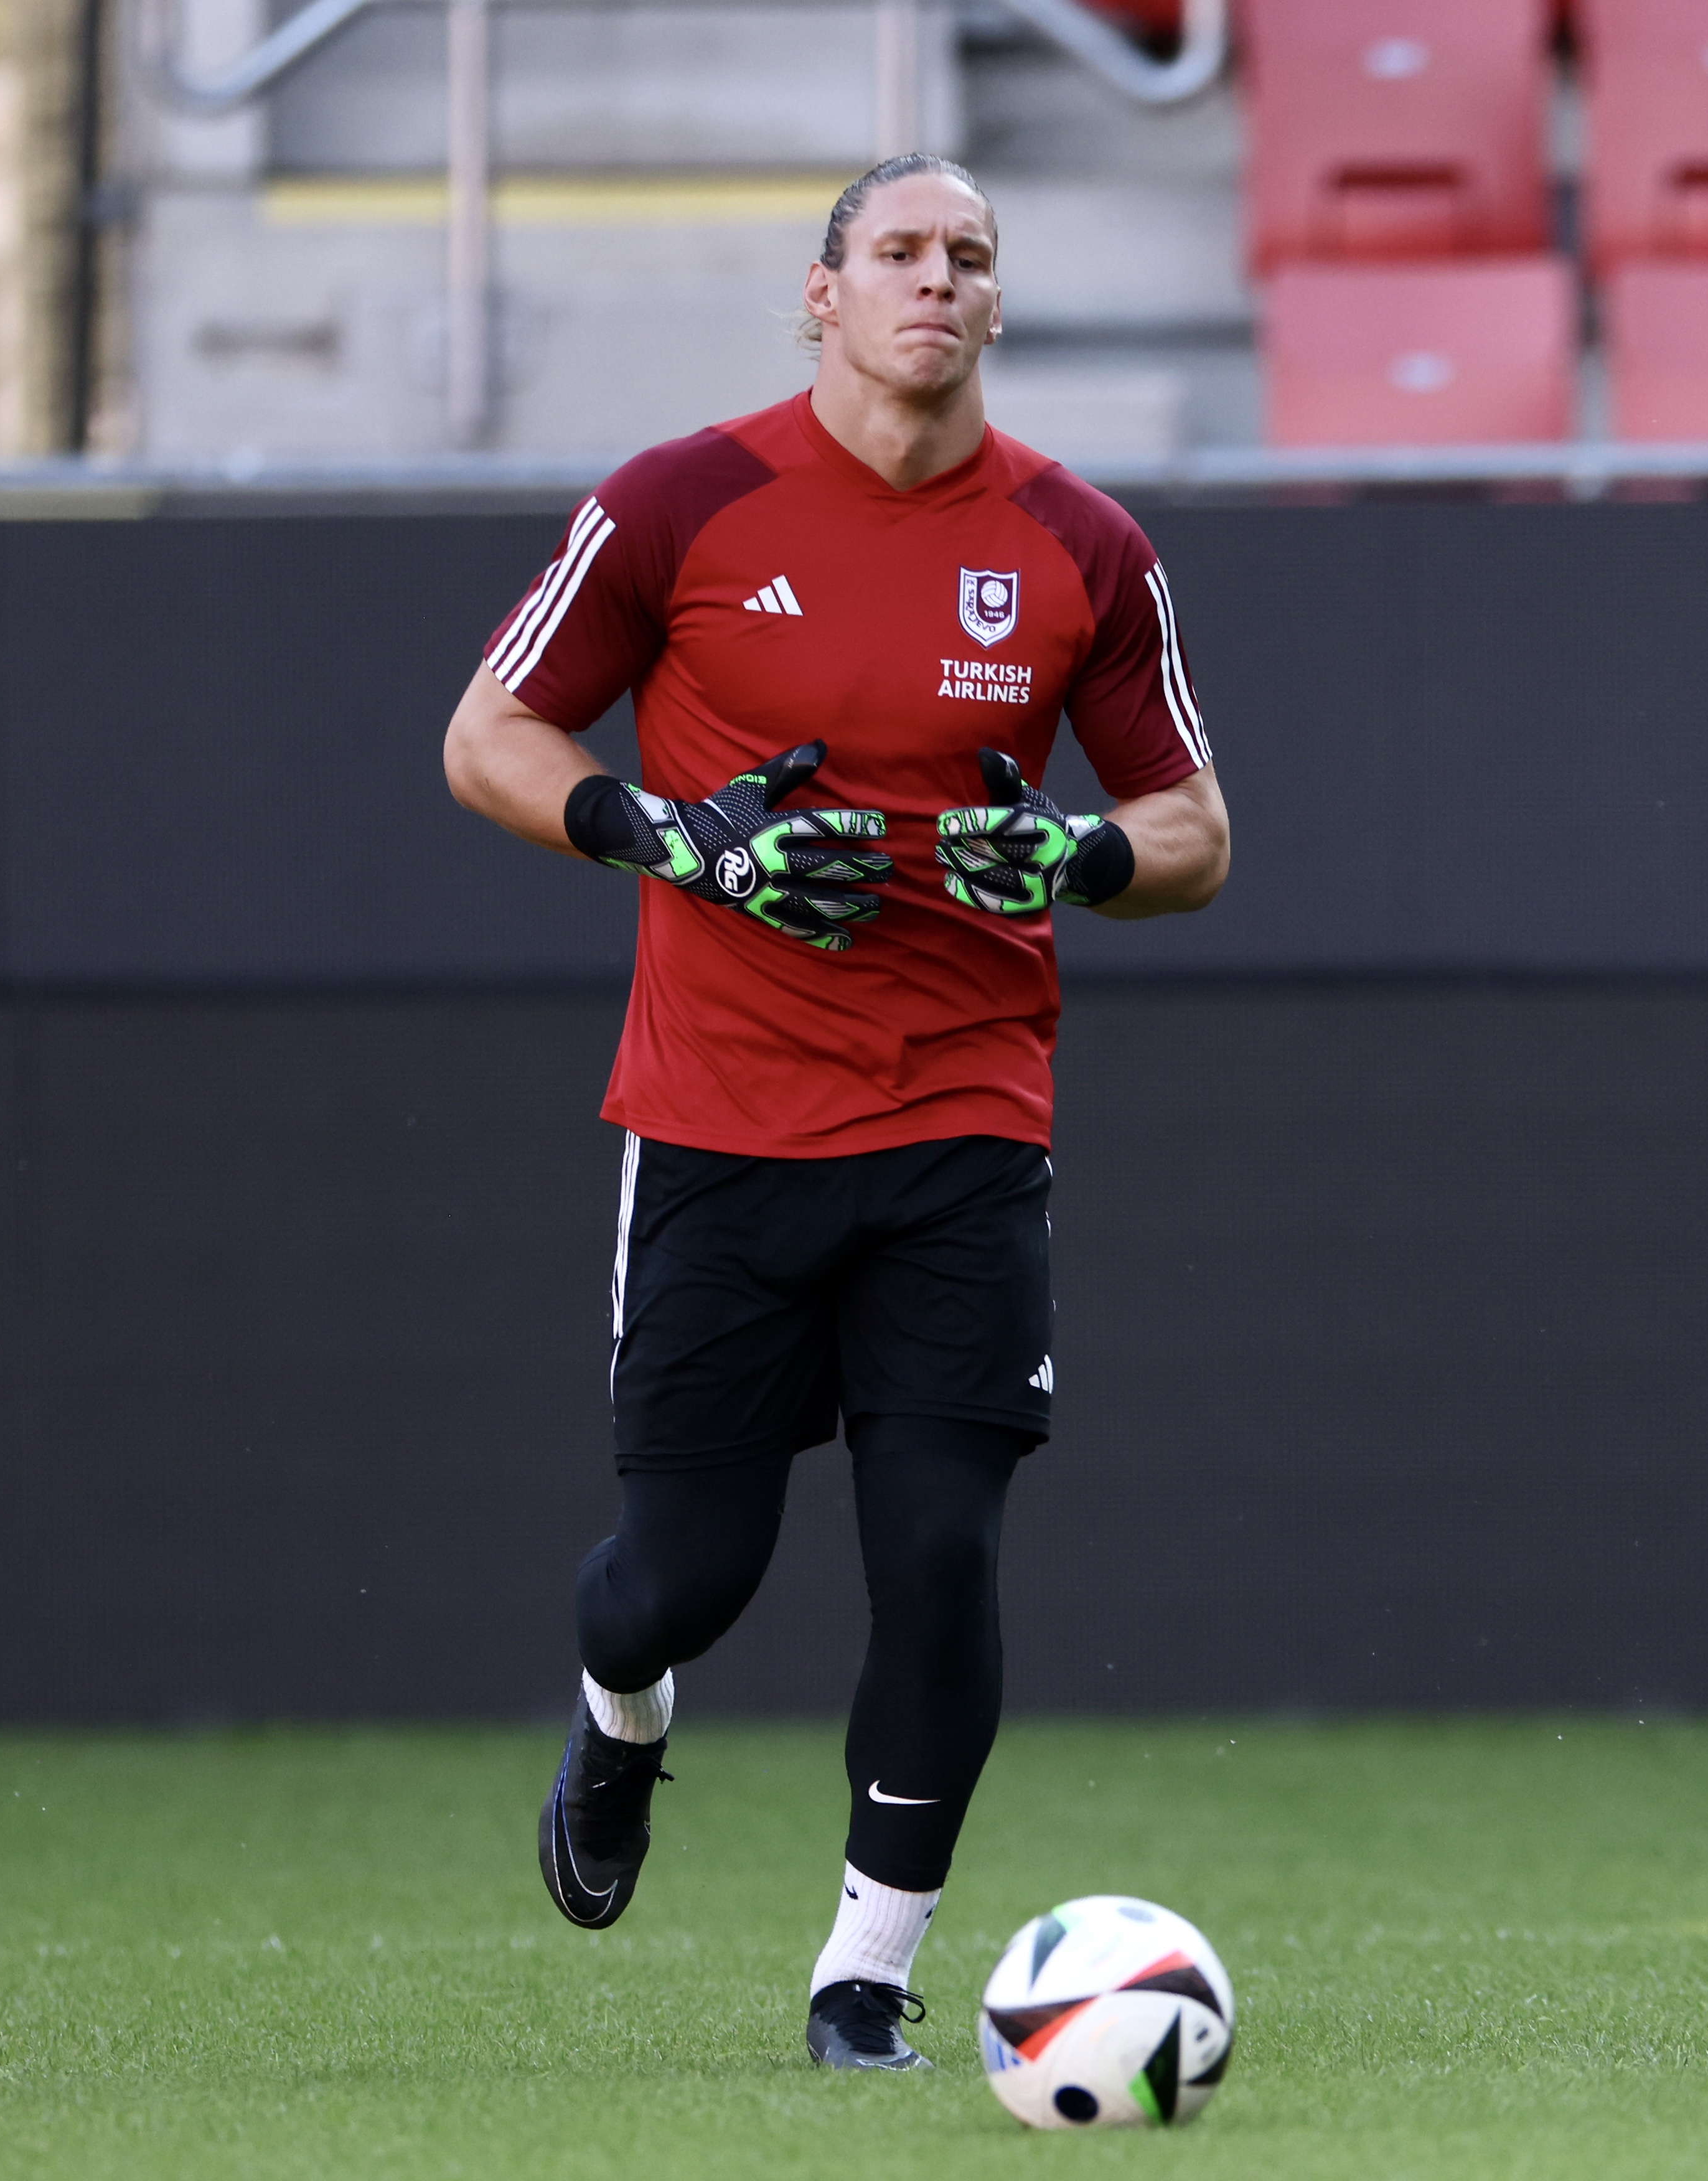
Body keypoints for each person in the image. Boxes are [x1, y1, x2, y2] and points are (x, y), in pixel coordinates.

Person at [441, 152, 1228, 2073]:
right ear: (822, 294)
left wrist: (1067, 852)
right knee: (679, 1583)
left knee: (941, 1553)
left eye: (971, 256)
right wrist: (669, 839)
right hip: (718, 1121)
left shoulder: (1081, 543)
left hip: (963, 1123)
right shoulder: (677, 502)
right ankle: (620, 1725)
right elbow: (491, 736)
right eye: (899, 253)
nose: (937, 283)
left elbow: (1194, 831)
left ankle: (865, 1976)